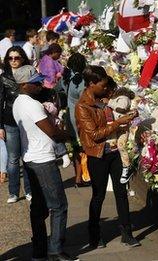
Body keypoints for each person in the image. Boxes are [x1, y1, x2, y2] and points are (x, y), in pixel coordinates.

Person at [12, 65, 78, 261]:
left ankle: (39, 251)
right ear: (24, 85)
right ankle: (55, 250)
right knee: (58, 206)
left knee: (39, 208)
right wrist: (71, 136)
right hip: (43, 160)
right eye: (35, 83)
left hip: (31, 158)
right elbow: (53, 132)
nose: (40, 84)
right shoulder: (31, 105)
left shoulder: (19, 102)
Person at [75, 65, 140, 249]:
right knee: (99, 195)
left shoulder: (106, 99)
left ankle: (127, 232)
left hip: (114, 153)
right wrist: (118, 123)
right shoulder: (83, 106)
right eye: (102, 86)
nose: (106, 89)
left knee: (121, 192)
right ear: (91, 84)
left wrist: (128, 117)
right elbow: (94, 134)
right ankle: (94, 234)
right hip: (98, 154)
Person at [0, 46, 32, 203]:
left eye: (16, 57)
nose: (13, 61)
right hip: (10, 121)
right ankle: (13, 192)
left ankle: (29, 190)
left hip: (27, 120)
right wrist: (0, 126)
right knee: (13, 158)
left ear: (22, 58)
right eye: (10, 58)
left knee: (27, 156)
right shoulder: (3, 77)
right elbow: (0, 102)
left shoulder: (30, 73)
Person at [61, 52, 87, 186]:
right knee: (82, 147)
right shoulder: (80, 81)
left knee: (75, 147)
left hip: (70, 114)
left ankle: (78, 176)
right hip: (79, 116)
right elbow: (84, 100)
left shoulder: (66, 77)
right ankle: (82, 176)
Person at [106, 86, 136, 184]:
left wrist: (109, 102)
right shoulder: (116, 99)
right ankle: (121, 165)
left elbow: (121, 109)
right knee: (114, 145)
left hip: (122, 128)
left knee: (121, 145)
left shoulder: (123, 98)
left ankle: (126, 167)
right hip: (116, 127)